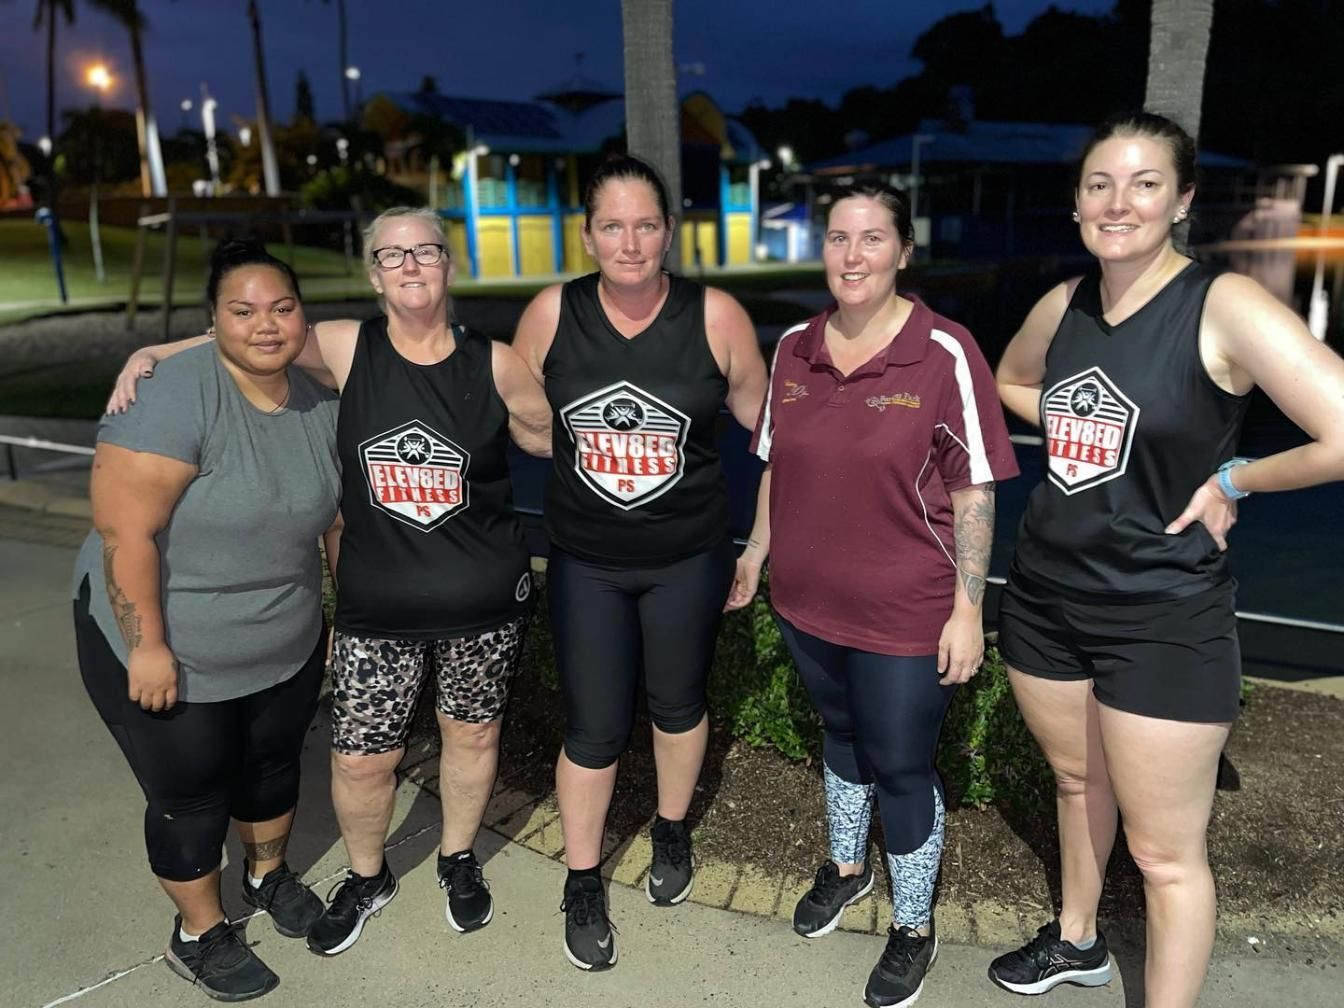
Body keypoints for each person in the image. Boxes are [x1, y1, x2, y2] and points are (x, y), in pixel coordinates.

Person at [109, 207, 552, 957]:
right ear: (374, 273)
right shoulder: (350, 347)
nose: (411, 265)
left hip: (484, 599)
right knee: (360, 756)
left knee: (472, 733)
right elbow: (254, 336)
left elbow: (553, 438)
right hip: (377, 604)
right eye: (393, 255)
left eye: (426, 251)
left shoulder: (497, 362)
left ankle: (456, 857)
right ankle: (368, 874)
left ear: (449, 264)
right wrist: (157, 350)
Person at [988, 112, 1344, 1007]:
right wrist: (1079, 434)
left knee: (1165, 857)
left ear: (1182, 199)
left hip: (1161, 617)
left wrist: (1236, 476)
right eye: (1100, 183)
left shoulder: (1220, 305)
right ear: (1076, 203)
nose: (1119, 202)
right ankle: (1077, 941)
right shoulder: (1064, 304)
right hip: (1043, 600)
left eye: (1146, 182)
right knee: (1075, 780)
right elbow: (1011, 380)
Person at [726, 183, 1018, 1007]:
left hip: (906, 610)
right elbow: (779, 465)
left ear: (902, 252)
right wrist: (757, 552)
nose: (852, 257)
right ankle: (849, 868)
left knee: (899, 760)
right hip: (806, 601)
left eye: (872, 239)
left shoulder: (945, 351)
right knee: (842, 734)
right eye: (839, 239)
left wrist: (968, 608)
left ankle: (914, 925)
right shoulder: (793, 348)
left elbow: (975, 492)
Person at [510, 154, 767, 970]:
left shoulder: (716, 315)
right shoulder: (553, 312)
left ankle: (670, 829)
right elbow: (517, 412)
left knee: (677, 705)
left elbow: (773, 432)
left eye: (646, 224)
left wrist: (760, 542)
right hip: (586, 558)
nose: (630, 242)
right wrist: (574, 454)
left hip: (687, 555)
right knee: (592, 725)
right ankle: (582, 880)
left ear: (668, 232)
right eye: (612, 225)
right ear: (588, 236)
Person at [74, 240, 340, 1002]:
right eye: (243, 310)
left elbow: (337, 527)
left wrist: (341, 618)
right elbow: (127, 534)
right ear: (212, 322)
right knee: (192, 792)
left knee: (272, 765)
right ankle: (198, 929)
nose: (267, 325)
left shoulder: (322, 401)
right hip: (169, 637)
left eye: (282, 308)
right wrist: (147, 646)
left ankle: (266, 876)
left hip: (280, 636)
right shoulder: (173, 397)